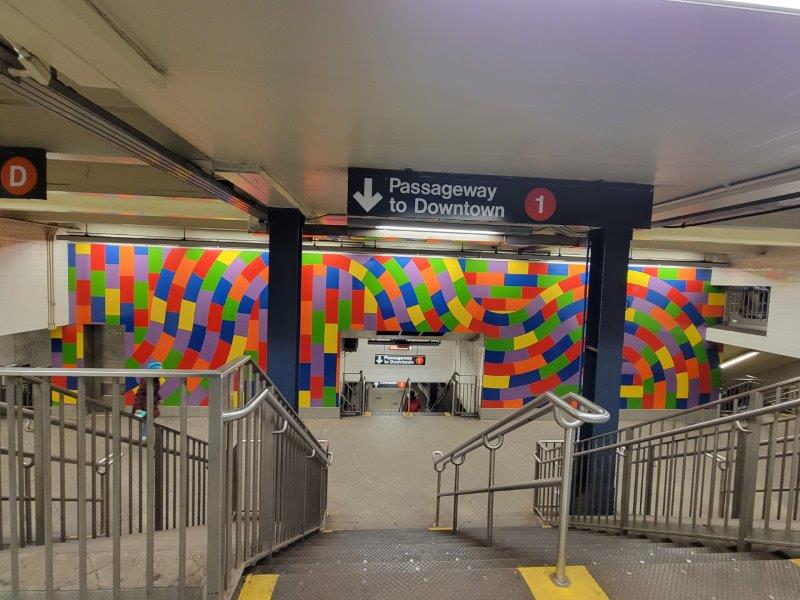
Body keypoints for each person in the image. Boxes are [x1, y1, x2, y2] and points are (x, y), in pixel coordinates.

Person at [132, 361, 162, 441]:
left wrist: (159, 398)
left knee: (148, 420)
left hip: (150, 403)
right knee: (147, 420)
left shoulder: (155, 380)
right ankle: (144, 437)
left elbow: (154, 391)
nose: (161, 373)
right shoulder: (146, 380)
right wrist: (138, 409)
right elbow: (139, 394)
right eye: (160, 371)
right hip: (144, 404)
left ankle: (145, 436)